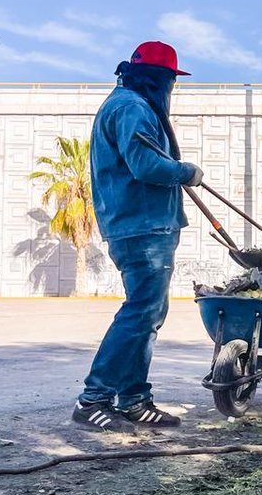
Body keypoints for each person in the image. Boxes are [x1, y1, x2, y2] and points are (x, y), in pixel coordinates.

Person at [72, 41, 203, 432]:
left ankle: (133, 399)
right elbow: (145, 164)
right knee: (141, 311)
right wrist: (185, 171)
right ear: (158, 79)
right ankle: (93, 398)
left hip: (141, 224)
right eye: (170, 81)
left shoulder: (127, 104)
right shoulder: (132, 107)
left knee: (148, 313)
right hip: (141, 227)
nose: (171, 90)